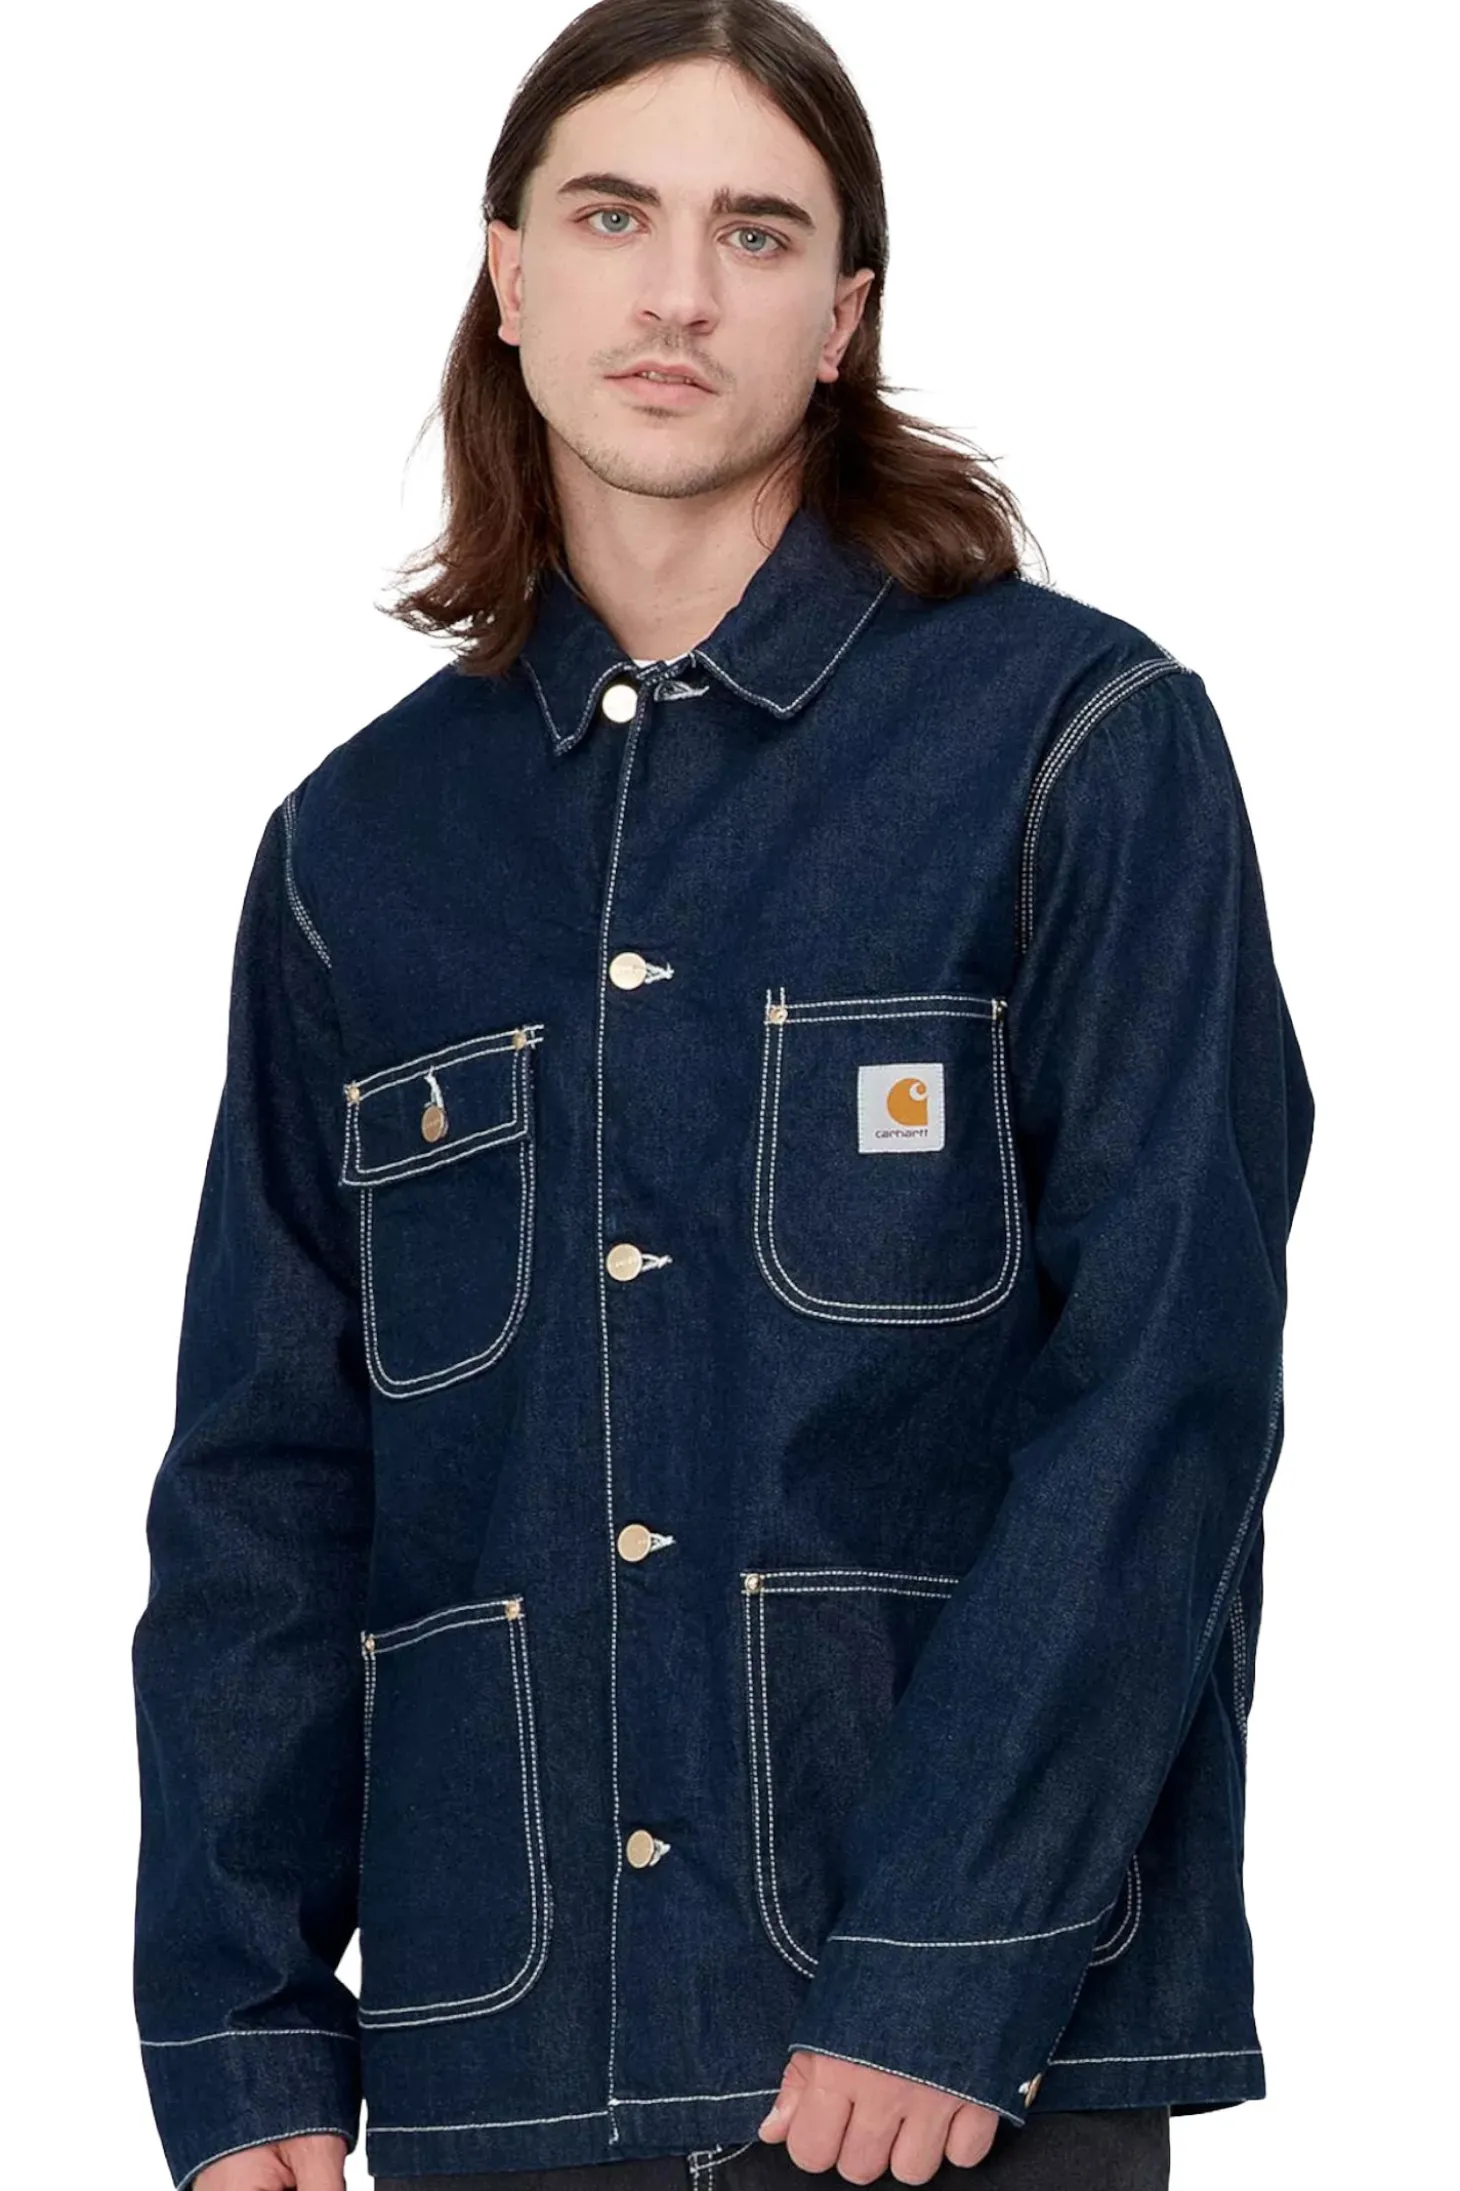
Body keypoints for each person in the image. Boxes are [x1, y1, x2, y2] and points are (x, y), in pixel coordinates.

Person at [129, 3, 1315, 2188]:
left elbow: (1168, 1388)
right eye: (613, 217)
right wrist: (242, 2037)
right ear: (509, 277)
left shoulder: (1075, 743)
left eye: (756, 235)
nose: (677, 291)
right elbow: (264, 1484)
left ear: (841, 319)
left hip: (953, 2080)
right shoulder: (353, 853)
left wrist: (951, 1962)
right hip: (502, 2066)